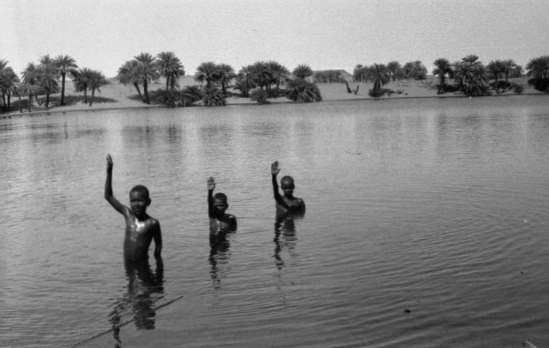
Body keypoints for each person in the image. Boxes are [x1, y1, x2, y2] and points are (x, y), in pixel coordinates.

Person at [104, 154, 162, 263]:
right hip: (129, 269)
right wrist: (109, 171)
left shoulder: (153, 223)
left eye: (140, 201)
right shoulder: (128, 215)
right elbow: (108, 196)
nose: (136, 204)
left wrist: (159, 277)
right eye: (133, 201)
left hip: (143, 269)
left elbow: (158, 251)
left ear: (148, 202)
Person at [207, 177, 237, 247]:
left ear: (226, 206)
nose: (218, 208)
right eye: (216, 206)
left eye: (221, 205)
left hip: (224, 241)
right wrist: (210, 191)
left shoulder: (231, 218)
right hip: (214, 242)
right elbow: (210, 203)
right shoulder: (213, 217)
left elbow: (233, 232)